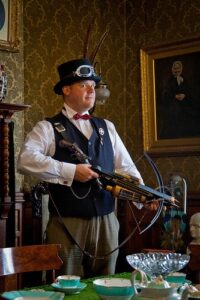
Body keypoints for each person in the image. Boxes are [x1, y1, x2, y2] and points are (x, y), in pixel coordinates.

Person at [18, 58, 156, 278]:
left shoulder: (107, 127)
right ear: (66, 89)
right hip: (67, 222)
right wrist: (71, 171)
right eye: (84, 84)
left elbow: (128, 170)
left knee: (105, 284)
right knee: (66, 284)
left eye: (93, 85)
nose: (92, 89)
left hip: (108, 220)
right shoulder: (47, 127)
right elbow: (25, 160)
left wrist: (145, 197)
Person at [158, 60, 199, 139]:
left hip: (185, 105)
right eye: (175, 68)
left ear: (181, 69)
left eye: (178, 68)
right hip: (173, 106)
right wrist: (175, 96)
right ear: (173, 69)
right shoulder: (170, 81)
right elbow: (165, 94)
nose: (177, 70)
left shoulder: (184, 79)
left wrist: (185, 96)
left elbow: (189, 92)